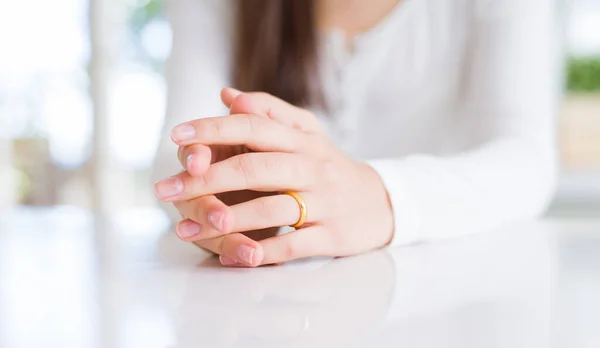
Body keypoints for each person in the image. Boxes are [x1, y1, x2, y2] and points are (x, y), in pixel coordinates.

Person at [153, 0, 559, 267]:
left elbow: (527, 159)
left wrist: (382, 194)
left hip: (447, 302)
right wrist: (214, 197)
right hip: (274, 314)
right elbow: (176, 151)